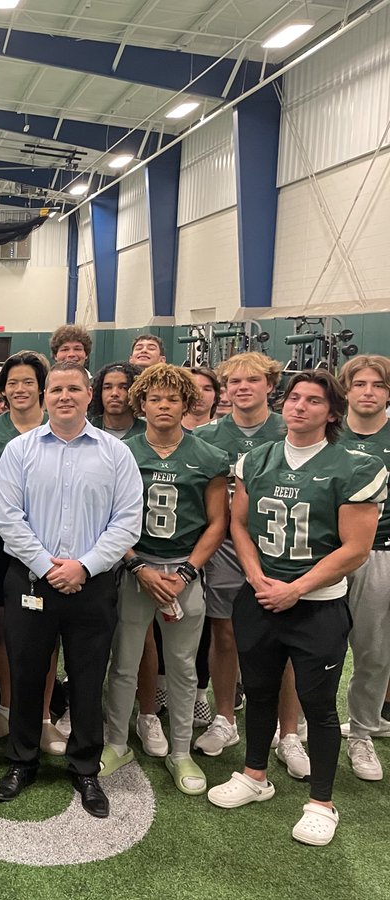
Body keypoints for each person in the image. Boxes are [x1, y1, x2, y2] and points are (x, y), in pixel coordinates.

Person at [208, 371, 386, 847]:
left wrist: (297, 588)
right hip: (261, 596)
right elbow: (238, 525)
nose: (298, 406)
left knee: (318, 706)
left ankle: (322, 802)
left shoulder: (354, 465)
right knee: (261, 692)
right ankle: (254, 775)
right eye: (294, 398)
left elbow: (355, 548)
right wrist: (255, 576)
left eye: (313, 400)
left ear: (332, 412)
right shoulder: (257, 458)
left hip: (317, 606)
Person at [0, 361, 142, 818]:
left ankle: (85, 767)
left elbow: (127, 521)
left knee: (88, 676)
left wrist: (84, 567)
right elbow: (6, 516)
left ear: (88, 393)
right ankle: (21, 761)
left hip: (92, 585)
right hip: (31, 581)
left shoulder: (116, 454)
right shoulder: (19, 450)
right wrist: (46, 565)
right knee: (26, 673)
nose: (64, 397)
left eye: (73, 388)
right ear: (44, 395)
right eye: (56, 389)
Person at [101, 364, 229, 796]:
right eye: (155, 398)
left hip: (183, 571)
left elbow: (217, 523)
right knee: (123, 664)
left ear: (187, 403)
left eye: (172, 399)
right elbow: (110, 518)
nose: (163, 406)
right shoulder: (122, 452)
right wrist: (138, 566)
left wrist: (187, 571)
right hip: (137, 568)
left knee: (182, 667)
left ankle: (180, 751)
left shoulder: (207, 456)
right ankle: (116, 743)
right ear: (141, 403)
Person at [195, 352, 286, 760]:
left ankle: (290, 733)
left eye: (252, 380)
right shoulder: (209, 436)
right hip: (228, 547)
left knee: (283, 639)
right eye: (234, 382)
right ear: (225, 391)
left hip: (280, 545)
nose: (242, 387)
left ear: (270, 385)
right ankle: (225, 718)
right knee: (225, 633)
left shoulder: (290, 428)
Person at [0, 351, 49, 746]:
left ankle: (44, 713)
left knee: (47, 631)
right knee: (1, 627)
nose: (20, 389)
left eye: (28, 382)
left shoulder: (62, 428)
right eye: (13, 383)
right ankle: (5, 706)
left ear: (42, 387)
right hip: (3, 547)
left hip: (54, 545)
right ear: (2, 389)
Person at [336, 355, 390, 781]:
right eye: (360, 384)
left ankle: (362, 732)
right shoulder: (326, 432)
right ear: (347, 390)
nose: (368, 392)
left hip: (379, 554)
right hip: (324, 552)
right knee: (313, 647)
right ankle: (295, 727)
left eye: (378, 385)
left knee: (373, 651)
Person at [90, 362, 146, 439]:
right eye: (108, 387)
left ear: (136, 392)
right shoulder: (87, 428)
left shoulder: (148, 433)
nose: (114, 393)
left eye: (123, 387)